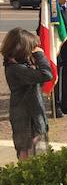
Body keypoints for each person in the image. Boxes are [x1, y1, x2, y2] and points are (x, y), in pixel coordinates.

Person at [2, 28, 53, 160]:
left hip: (32, 116)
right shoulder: (15, 69)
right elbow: (46, 75)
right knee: (30, 160)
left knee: (38, 157)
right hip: (25, 121)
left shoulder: (20, 65)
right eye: (31, 48)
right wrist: (40, 55)